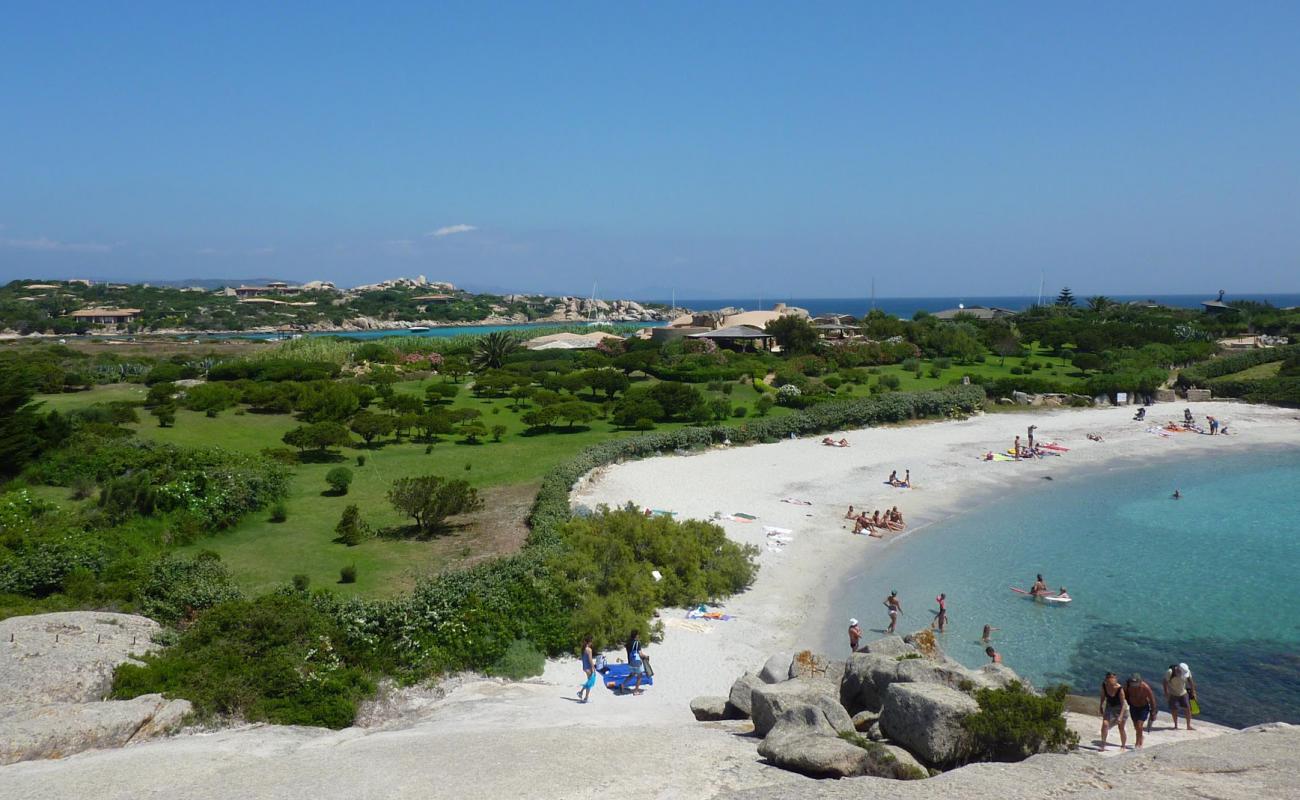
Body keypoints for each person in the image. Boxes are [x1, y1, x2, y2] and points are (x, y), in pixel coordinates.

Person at [1125, 673, 1157, 748]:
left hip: (1143, 708)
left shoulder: (1145, 687)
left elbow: (1152, 699)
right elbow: (1124, 695)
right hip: (1133, 707)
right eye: (1133, 683)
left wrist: (1153, 712)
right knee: (1136, 726)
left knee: (1139, 725)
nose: (1134, 685)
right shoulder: (1128, 686)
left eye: (1136, 683)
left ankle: (1138, 743)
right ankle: (1141, 737)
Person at [1099, 672, 1129, 751]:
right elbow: (1102, 696)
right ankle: (1103, 744)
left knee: (1121, 727)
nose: (1110, 685)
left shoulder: (1119, 689)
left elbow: (1123, 705)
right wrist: (1101, 705)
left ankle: (1123, 745)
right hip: (1110, 706)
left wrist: (1120, 716)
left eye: (1112, 683)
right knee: (1105, 724)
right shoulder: (1104, 686)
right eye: (1109, 683)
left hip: (1121, 708)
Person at [1163, 663, 1196, 730]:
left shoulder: (1187, 672)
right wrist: (1166, 693)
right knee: (1174, 709)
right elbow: (1164, 682)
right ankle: (1175, 725)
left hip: (1183, 692)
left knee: (1187, 709)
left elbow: (1191, 682)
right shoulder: (1170, 672)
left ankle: (1188, 726)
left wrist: (1193, 692)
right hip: (1172, 693)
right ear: (1178, 669)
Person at [622, 630, 647, 695]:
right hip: (636, 662)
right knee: (640, 675)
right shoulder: (637, 643)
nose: (639, 636)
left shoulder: (628, 643)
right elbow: (640, 654)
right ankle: (636, 691)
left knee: (632, 674)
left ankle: (623, 685)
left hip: (630, 661)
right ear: (636, 635)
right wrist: (646, 656)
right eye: (638, 634)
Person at [577, 635, 597, 703]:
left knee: (589, 682)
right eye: (591, 641)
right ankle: (584, 696)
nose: (592, 643)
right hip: (588, 667)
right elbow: (590, 660)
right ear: (589, 642)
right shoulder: (589, 650)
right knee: (590, 683)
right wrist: (593, 668)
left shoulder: (583, 648)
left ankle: (582, 694)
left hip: (585, 667)